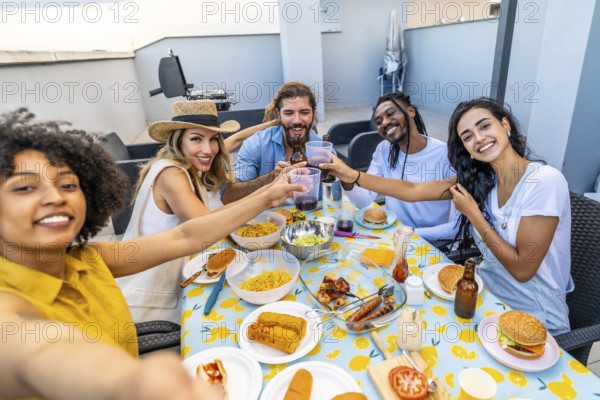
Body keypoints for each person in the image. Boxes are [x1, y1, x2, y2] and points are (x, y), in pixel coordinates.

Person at [0, 108, 303, 399]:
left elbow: (186, 236)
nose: (54, 196)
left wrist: (269, 194)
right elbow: (36, 351)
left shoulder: (89, 257)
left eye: (68, 184)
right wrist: (134, 383)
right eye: (24, 188)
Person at [324, 98, 572, 334]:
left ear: (505, 125)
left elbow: (522, 270)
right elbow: (412, 190)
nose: (479, 138)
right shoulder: (483, 180)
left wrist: (473, 214)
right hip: (481, 296)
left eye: (484, 126)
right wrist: (352, 175)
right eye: (468, 136)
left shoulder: (543, 181)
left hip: (533, 314)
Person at [116, 100, 277, 323]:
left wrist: (275, 124)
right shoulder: (172, 175)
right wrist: (269, 191)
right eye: (196, 139)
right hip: (152, 302)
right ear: (178, 139)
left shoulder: (191, 160)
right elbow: (207, 227)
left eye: (213, 139)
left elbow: (237, 138)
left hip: (182, 276)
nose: (208, 149)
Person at [342, 92, 457, 240]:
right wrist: (345, 179)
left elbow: (457, 226)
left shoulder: (445, 154)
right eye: (378, 122)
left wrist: (410, 234)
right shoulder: (384, 150)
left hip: (432, 242)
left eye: (390, 113)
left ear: (410, 111)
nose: (384, 123)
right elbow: (363, 200)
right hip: (393, 234)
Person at [221, 81, 329, 204]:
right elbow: (228, 197)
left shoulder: (322, 148)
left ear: (313, 112)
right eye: (288, 113)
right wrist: (271, 177)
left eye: (304, 112)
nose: (297, 120)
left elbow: (336, 196)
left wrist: (339, 175)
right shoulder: (256, 144)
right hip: (268, 220)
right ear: (278, 114)